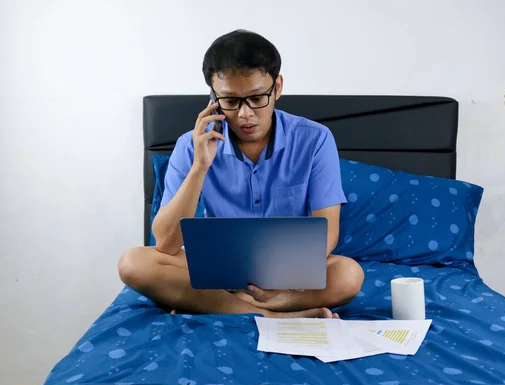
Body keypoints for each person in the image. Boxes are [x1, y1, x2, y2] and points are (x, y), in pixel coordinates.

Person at [118, 29, 364, 319]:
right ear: (213, 97)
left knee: (348, 274)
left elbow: (327, 233)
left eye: (257, 98)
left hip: (287, 275)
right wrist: (200, 167)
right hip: (216, 271)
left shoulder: (315, 139)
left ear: (278, 87)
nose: (245, 115)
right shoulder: (190, 145)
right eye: (231, 101)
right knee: (133, 262)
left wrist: (282, 284)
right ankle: (274, 316)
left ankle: (219, 305)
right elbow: (166, 244)